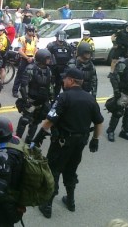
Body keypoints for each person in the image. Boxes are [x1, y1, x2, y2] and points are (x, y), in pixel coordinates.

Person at [33, 67, 103, 219]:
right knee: (71, 170)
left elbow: (50, 120)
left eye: (65, 78)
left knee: (54, 170)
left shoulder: (64, 97)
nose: (63, 80)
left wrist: (38, 137)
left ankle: (47, 205)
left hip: (62, 142)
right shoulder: (90, 98)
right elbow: (99, 122)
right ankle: (70, 202)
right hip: (80, 142)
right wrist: (95, 140)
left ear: (71, 81)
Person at [16, 48, 53, 144]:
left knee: (36, 122)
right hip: (31, 100)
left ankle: (29, 141)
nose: (49, 60)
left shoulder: (48, 70)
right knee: (25, 120)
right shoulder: (30, 68)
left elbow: (50, 85)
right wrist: (26, 100)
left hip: (42, 101)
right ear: (42, 59)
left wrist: (51, 98)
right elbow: (23, 86)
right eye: (47, 58)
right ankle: (17, 139)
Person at [12, 24, 38, 98]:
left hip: (32, 58)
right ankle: (15, 91)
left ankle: (27, 91)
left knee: (31, 75)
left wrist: (33, 57)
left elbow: (36, 49)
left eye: (32, 31)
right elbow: (20, 50)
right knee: (20, 75)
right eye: (30, 31)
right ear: (26, 31)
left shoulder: (35, 39)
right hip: (24, 58)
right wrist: (27, 58)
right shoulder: (22, 39)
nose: (31, 32)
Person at [47, 31, 73, 96]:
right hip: (55, 70)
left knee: (67, 90)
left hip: (65, 70)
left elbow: (72, 57)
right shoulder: (51, 46)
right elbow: (46, 57)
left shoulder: (68, 46)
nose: (61, 41)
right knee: (55, 90)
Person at [0, 24, 10, 89]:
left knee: (2, 68)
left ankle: (1, 82)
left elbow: (0, 47)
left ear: (3, 30)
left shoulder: (3, 37)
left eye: (0, 30)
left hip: (2, 54)